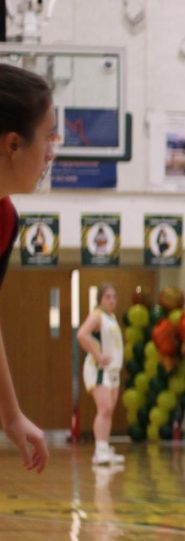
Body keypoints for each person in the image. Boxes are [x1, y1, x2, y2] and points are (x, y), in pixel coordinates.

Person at [0, 64, 55, 473]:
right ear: (14, 145)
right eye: (48, 135)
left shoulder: (5, 220)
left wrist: (12, 415)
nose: (52, 151)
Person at [76, 283, 124, 465]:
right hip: (98, 369)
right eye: (108, 296)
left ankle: (105, 447)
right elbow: (81, 334)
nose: (112, 300)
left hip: (112, 370)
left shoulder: (111, 317)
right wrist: (98, 355)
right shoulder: (97, 316)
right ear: (100, 299)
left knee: (109, 410)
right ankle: (99, 450)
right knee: (103, 409)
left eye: (114, 296)